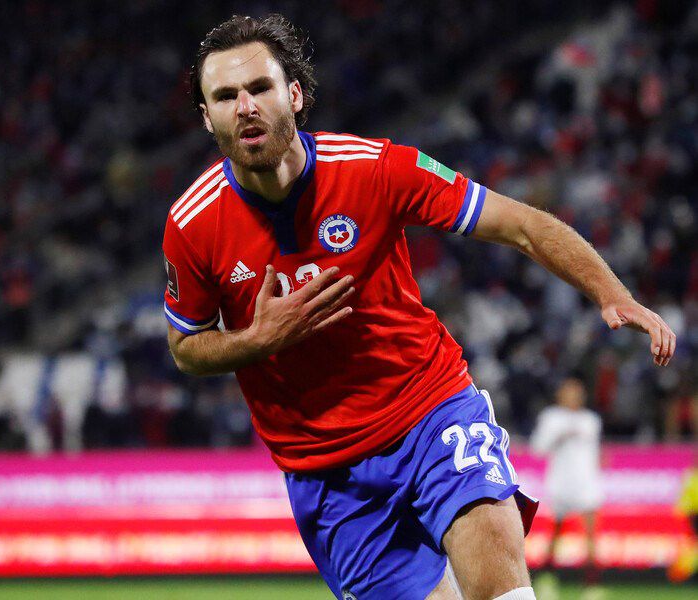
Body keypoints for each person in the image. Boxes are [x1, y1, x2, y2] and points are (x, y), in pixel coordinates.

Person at [162, 14, 676, 600]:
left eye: (259, 87)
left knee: (500, 594)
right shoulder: (192, 225)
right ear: (208, 118)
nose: (245, 106)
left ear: (294, 94)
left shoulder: (377, 168)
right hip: (326, 472)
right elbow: (186, 347)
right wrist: (257, 340)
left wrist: (611, 292)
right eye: (225, 96)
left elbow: (522, 225)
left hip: (429, 413)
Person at [530, 378, 603, 597]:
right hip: (561, 482)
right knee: (556, 532)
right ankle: (547, 578)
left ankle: (591, 586)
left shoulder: (591, 420)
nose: (573, 397)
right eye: (569, 392)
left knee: (590, 533)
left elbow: (594, 452)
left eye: (577, 393)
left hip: (586, 482)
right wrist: (559, 436)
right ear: (560, 395)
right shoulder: (551, 418)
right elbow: (537, 448)